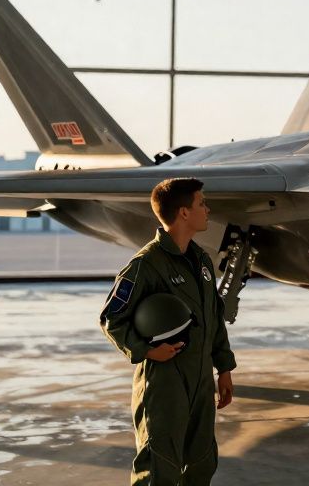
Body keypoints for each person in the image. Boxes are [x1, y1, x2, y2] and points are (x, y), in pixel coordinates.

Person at [100, 178, 236, 485]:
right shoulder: (145, 264)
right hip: (164, 382)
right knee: (159, 468)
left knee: (202, 463)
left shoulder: (200, 259)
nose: (207, 209)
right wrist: (146, 350)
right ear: (184, 213)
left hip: (200, 380)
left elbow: (212, 316)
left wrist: (223, 367)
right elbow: (111, 318)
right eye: (202, 203)